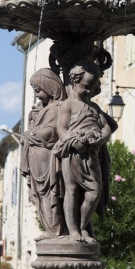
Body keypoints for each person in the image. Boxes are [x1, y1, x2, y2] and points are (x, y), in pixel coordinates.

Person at [53, 60, 113, 243]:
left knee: (94, 192)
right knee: (72, 191)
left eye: (92, 88)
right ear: (74, 81)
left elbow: (107, 128)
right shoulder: (68, 105)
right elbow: (61, 129)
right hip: (73, 154)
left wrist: (100, 139)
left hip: (91, 155)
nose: (89, 91)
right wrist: (73, 141)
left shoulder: (94, 108)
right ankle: (73, 231)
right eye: (86, 87)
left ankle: (82, 225)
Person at [20, 68, 67, 239]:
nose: (37, 95)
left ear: (50, 87)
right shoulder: (45, 109)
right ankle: (51, 229)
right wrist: (31, 121)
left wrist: (30, 133)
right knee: (40, 196)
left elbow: (51, 133)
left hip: (46, 159)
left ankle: (56, 230)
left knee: (49, 195)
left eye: (38, 90)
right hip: (37, 159)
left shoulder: (55, 108)